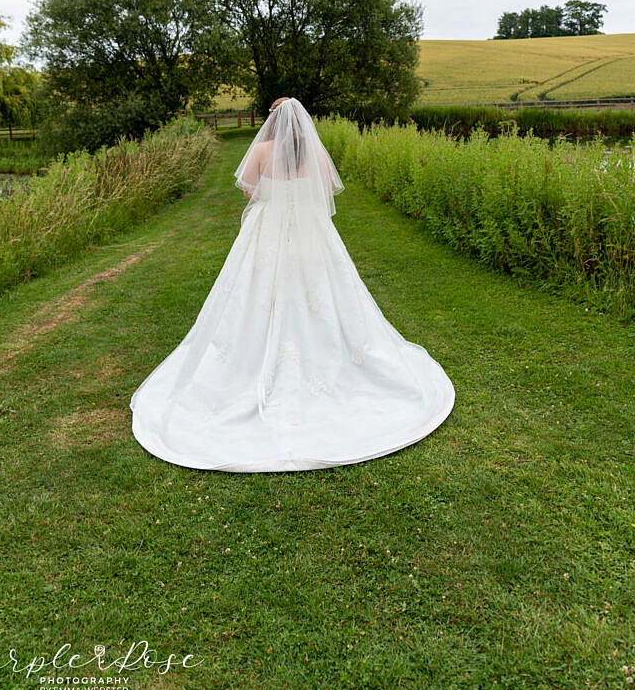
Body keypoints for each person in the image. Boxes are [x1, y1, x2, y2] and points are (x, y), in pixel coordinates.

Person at [130, 96, 455, 472]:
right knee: (322, 291)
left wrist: (274, 193)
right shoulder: (317, 154)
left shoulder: (263, 151)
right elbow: (323, 193)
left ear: (272, 121)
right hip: (311, 235)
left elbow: (249, 190)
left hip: (267, 233)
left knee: (255, 294)